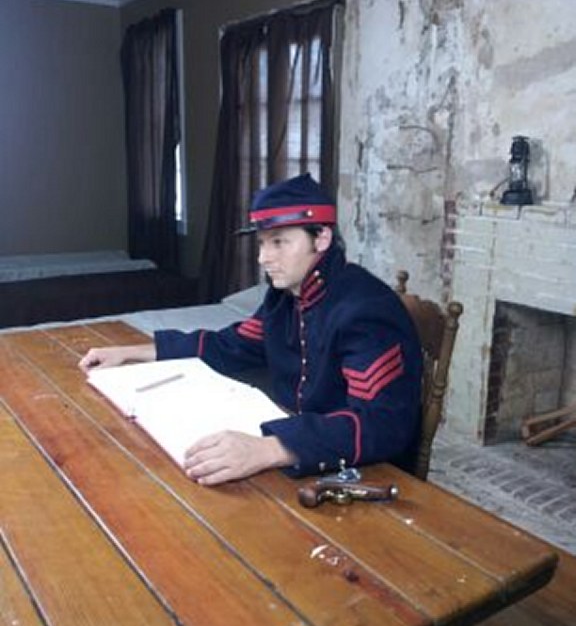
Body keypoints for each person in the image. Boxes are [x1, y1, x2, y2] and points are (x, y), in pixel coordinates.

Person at [79, 174, 423, 486]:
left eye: (279, 242)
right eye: (262, 243)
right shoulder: (284, 297)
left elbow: (381, 424)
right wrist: (133, 352)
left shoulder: (365, 310)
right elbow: (233, 345)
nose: (263, 258)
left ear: (321, 238)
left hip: (363, 473)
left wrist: (268, 449)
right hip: (299, 452)